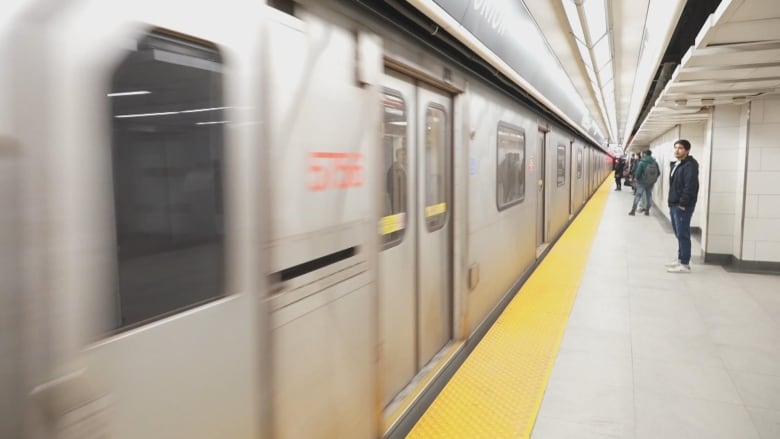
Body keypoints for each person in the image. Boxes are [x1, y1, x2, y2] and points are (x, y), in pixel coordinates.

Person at [666, 139, 699, 273]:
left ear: (687, 150)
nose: (677, 150)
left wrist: (683, 203)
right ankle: (680, 259)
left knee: (683, 234)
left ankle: (685, 264)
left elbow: (690, 186)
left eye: (680, 148)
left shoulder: (690, 166)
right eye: (675, 148)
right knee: (679, 233)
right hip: (675, 203)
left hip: (682, 206)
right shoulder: (678, 164)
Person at [628, 150, 659, 216]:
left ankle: (633, 210)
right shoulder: (655, 162)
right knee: (649, 196)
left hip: (641, 182)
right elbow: (658, 172)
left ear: (644, 154)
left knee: (638, 196)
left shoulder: (642, 162)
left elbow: (638, 173)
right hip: (650, 182)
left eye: (642, 154)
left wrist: (637, 178)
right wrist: (653, 179)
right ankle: (647, 211)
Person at [386, 147, 407, 214]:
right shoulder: (392, 170)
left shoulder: (406, 167)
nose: (404, 157)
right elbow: (390, 189)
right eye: (402, 154)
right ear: (397, 156)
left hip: (406, 200)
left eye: (405, 154)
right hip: (398, 202)